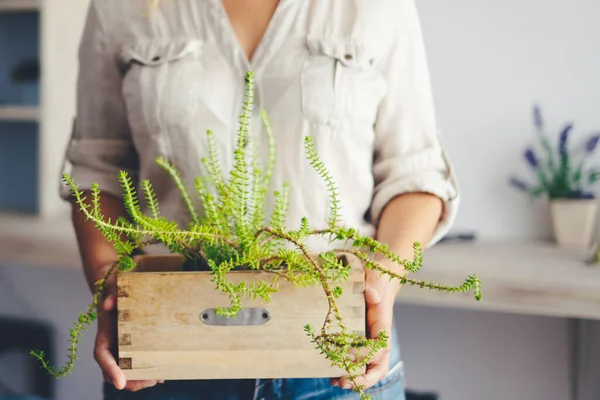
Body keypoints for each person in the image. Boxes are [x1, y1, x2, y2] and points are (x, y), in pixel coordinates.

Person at [60, 0, 459, 399]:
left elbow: (415, 175)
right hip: (167, 356)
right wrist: (111, 285)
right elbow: (98, 171)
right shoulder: (121, 7)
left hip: (336, 363)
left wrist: (382, 280)